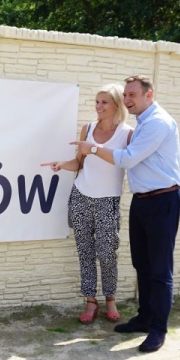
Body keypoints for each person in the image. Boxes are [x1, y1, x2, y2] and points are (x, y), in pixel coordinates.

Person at [74, 75, 180, 353]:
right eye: (126, 95)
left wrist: (93, 148)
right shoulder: (143, 123)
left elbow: (128, 159)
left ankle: (158, 329)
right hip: (142, 200)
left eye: (133, 94)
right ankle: (144, 318)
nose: (128, 99)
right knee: (142, 265)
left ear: (149, 95)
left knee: (160, 270)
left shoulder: (157, 123)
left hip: (162, 200)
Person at [42, 83, 132, 325]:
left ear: (117, 105)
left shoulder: (127, 134)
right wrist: (62, 164)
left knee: (107, 252)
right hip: (81, 195)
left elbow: (128, 162)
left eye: (104, 102)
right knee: (85, 251)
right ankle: (90, 301)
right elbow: (79, 164)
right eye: (97, 101)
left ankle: (110, 298)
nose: (98, 106)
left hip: (108, 200)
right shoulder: (88, 129)